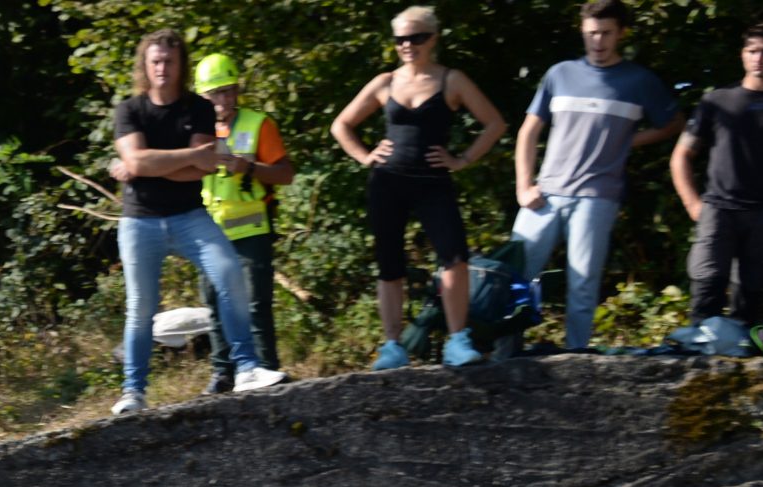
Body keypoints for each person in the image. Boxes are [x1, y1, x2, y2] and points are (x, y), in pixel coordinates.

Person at [107, 30, 285, 415]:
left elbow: (201, 167)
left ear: (181, 65)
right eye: (155, 61)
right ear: (144, 65)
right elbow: (142, 161)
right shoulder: (129, 111)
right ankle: (133, 391)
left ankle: (247, 368)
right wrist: (176, 158)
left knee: (230, 274)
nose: (162, 69)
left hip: (190, 216)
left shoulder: (199, 109)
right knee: (142, 306)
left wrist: (149, 163)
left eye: (169, 61)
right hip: (140, 220)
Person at [330, 5, 506, 368]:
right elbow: (341, 125)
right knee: (389, 264)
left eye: (416, 37)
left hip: (433, 182)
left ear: (433, 39)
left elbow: (495, 124)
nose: (407, 45)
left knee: (455, 258)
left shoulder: (451, 80)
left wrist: (463, 159)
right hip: (388, 182)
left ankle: (457, 341)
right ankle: (393, 347)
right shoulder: (385, 82)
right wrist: (365, 156)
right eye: (400, 39)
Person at [512, 0, 681, 351]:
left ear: (621, 33)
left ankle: (577, 356)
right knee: (516, 275)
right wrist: (523, 186)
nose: (598, 41)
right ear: (582, 31)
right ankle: (504, 354)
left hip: (597, 196)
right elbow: (528, 132)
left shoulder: (639, 81)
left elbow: (673, 124)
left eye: (606, 33)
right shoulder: (559, 74)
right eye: (591, 33)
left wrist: (628, 141)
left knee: (583, 282)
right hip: (544, 193)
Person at [670, 21, 763, 327]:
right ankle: (700, 352)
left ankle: (743, 351)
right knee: (706, 291)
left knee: (749, 300)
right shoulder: (717, 101)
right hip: (718, 209)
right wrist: (693, 204)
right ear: (742, 54)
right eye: (751, 51)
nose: (758, 58)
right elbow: (681, 156)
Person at [193, 53, 297, 394]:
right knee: (214, 302)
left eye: (228, 91)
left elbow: (286, 173)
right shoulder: (194, 132)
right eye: (214, 94)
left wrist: (249, 167)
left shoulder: (258, 124)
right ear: (201, 97)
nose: (223, 100)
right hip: (209, 230)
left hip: (252, 228)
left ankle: (266, 368)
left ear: (237, 91)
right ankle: (223, 373)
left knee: (255, 302)